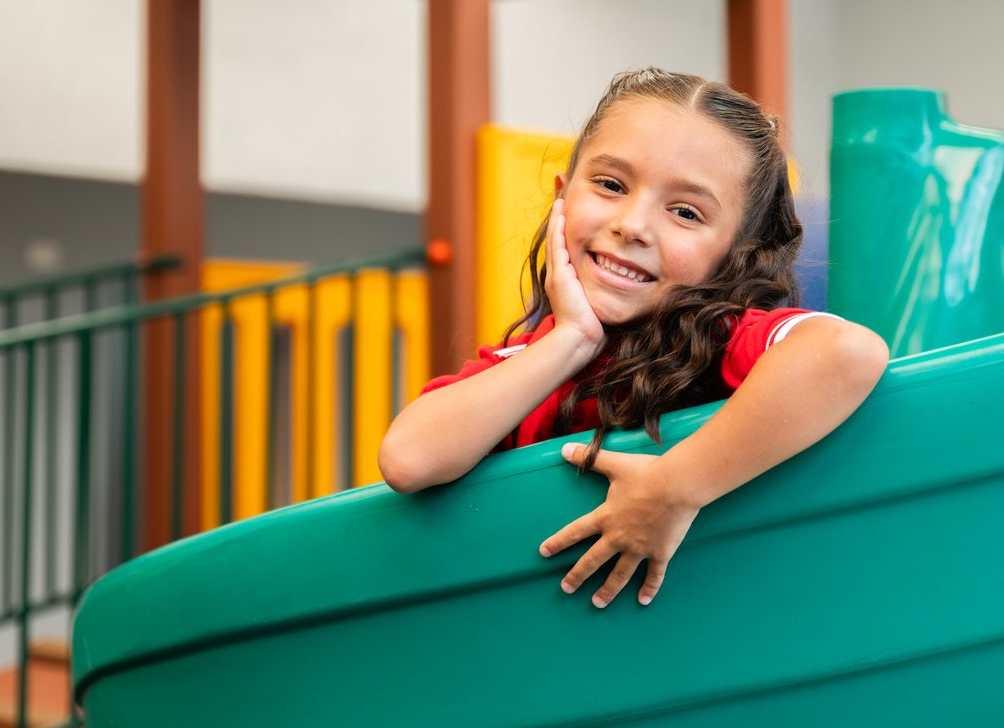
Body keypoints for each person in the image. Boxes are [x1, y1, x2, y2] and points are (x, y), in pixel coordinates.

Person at [378, 66, 889, 609]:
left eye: (685, 212)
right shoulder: (530, 362)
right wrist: (572, 339)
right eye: (611, 185)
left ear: (735, 253)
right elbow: (409, 459)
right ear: (561, 200)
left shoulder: (724, 338)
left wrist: (673, 489)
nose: (633, 225)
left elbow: (848, 354)